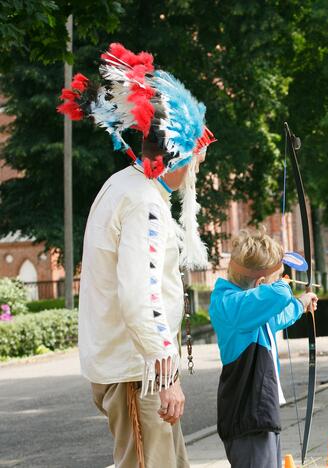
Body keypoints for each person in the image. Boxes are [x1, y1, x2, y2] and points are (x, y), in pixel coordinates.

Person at [59, 43, 215, 468]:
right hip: (137, 374)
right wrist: (165, 377)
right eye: (197, 157)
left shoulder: (129, 188)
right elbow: (139, 297)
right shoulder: (144, 202)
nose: (198, 168)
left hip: (139, 370)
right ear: (179, 157)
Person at [209, 229, 318, 468]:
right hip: (247, 416)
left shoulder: (249, 308)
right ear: (260, 284)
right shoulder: (231, 305)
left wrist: (302, 303)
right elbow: (278, 294)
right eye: (276, 278)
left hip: (259, 415)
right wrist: (278, 281)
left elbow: (278, 317)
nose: (283, 281)